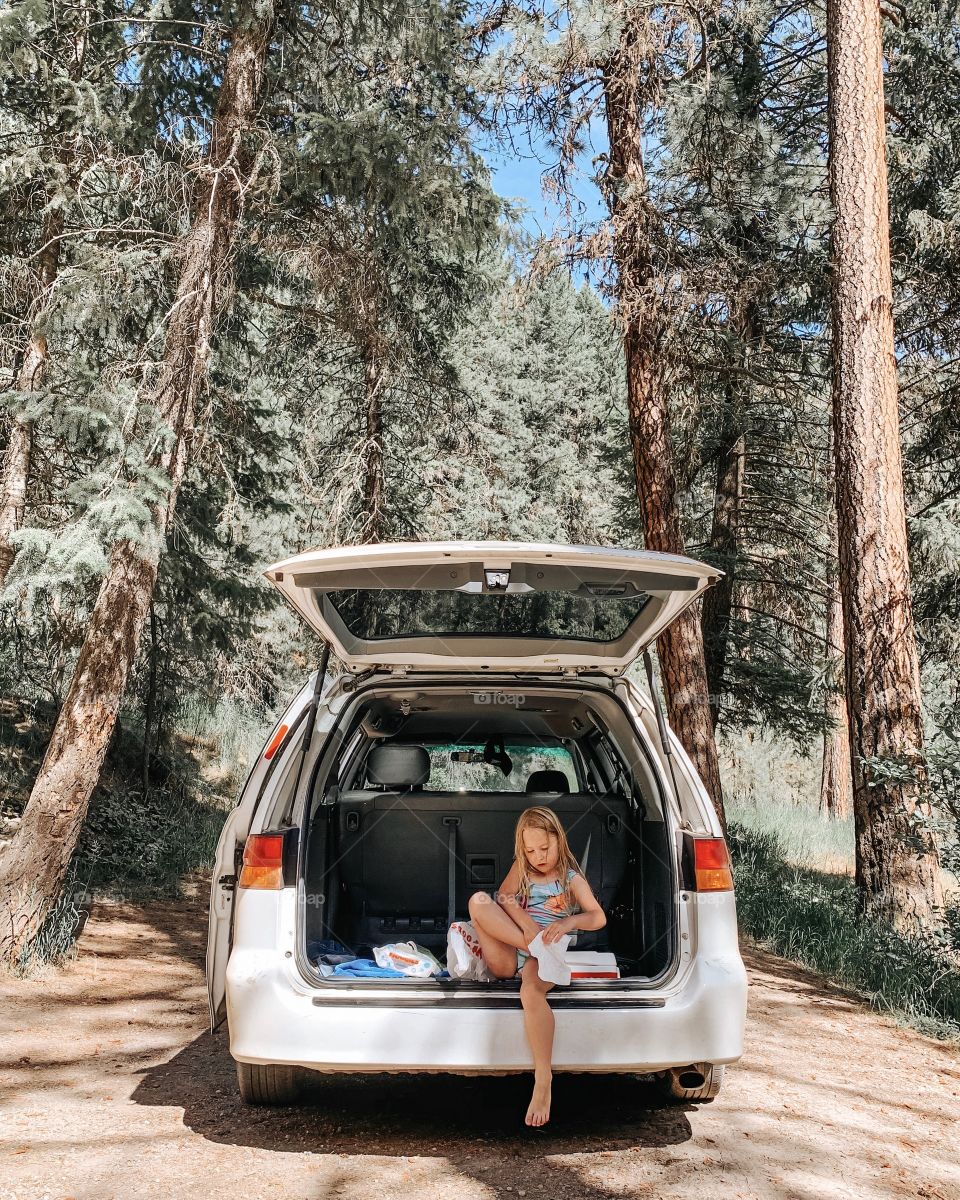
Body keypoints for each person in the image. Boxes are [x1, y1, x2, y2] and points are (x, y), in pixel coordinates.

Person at [467, 805, 607, 1127]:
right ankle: (531, 945)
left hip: (545, 956)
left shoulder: (571, 879)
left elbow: (597, 917)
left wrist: (571, 920)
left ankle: (543, 1079)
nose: (538, 856)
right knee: (478, 900)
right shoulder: (523, 869)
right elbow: (504, 895)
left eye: (544, 848)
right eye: (530, 850)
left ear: (559, 840)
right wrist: (528, 928)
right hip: (517, 947)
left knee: (531, 993)